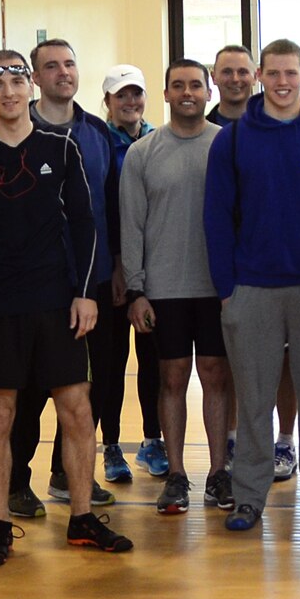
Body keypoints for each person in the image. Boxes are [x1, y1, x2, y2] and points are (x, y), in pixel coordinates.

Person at [0, 50, 130, 566]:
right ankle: (0, 526)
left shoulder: (63, 146)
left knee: (77, 408)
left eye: (16, 80)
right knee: (0, 414)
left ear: (30, 86)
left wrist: (85, 294)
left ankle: (81, 518)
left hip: (59, 303)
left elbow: (85, 224)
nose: (8, 91)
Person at [202, 39, 300, 531]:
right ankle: (248, 497)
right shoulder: (231, 140)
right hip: (252, 291)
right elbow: (216, 217)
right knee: (253, 402)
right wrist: (229, 287)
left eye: (291, 73)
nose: (282, 82)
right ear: (259, 78)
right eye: (273, 74)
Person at [7, 40, 119, 515]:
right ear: (35, 78)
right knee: (31, 391)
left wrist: (115, 271)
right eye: (50, 66)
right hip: (37, 287)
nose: (63, 72)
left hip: (94, 282)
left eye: (70, 63)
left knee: (89, 387)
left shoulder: (98, 133)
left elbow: (110, 208)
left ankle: (68, 475)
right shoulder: (14, 134)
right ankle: (15, 481)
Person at [120, 59, 232, 515]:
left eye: (195, 85)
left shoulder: (227, 146)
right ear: (165, 94)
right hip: (163, 289)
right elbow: (132, 224)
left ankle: (220, 472)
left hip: (216, 288)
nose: (187, 92)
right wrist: (136, 288)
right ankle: (178, 475)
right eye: (178, 85)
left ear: (208, 93)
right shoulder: (142, 153)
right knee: (171, 379)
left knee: (215, 377)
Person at [100, 63, 161, 484]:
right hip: (111, 272)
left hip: (154, 272)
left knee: (154, 361)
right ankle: (111, 445)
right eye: (121, 95)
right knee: (111, 362)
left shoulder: (160, 141)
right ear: (107, 101)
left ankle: (152, 441)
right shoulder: (97, 143)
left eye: (136, 94)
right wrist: (118, 264)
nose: (130, 102)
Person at [207, 44, 257, 126]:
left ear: (255, 77)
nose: (235, 79)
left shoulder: (273, 128)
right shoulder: (200, 132)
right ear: (213, 77)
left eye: (242, 72)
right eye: (227, 72)